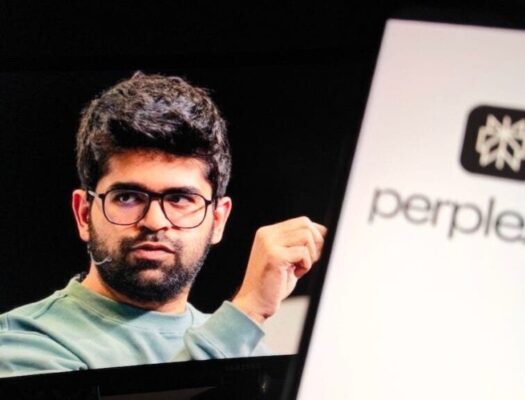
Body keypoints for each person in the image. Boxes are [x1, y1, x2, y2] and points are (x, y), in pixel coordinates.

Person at [0, 72, 326, 377]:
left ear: (217, 220)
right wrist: (248, 310)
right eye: (127, 197)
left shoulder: (248, 353)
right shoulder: (24, 343)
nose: (154, 221)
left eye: (180, 198)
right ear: (84, 214)